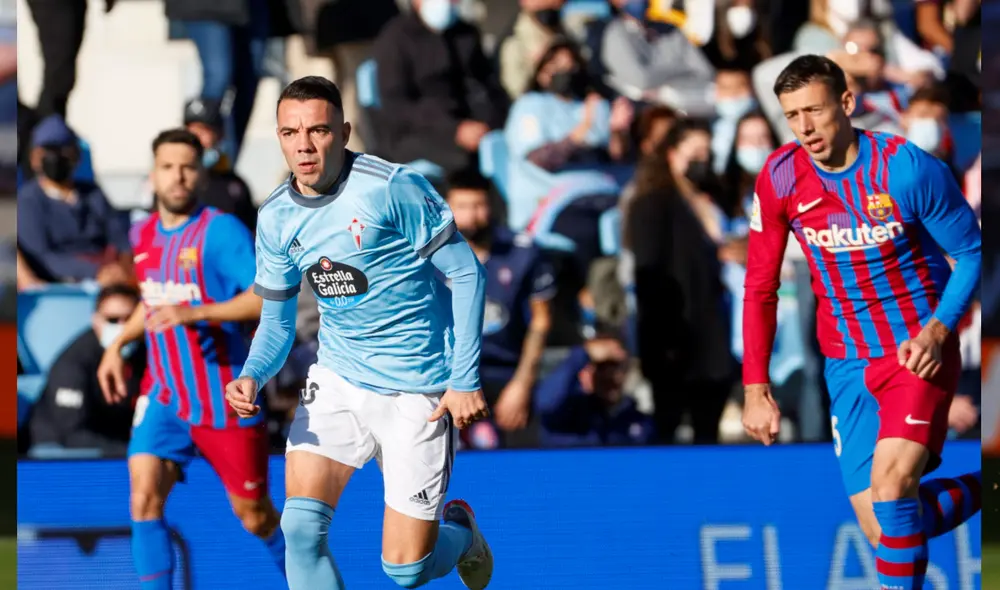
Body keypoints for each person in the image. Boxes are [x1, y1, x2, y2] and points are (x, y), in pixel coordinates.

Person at [223, 76, 493, 590]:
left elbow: (466, 273)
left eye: (318, 130)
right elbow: (277, 321)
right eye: (290, 132)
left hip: (418, 388)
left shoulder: (392, 187)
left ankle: (462, 535)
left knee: (406, 570)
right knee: (299, 529)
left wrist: (464, 379)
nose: (304, 145)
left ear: (344, 133)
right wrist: (253, 374)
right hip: (339, 379)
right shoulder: (276, 216)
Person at [742, 55, 982, 590]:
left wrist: (938, 330)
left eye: (814, 110)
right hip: (846, 365)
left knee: (892, 488)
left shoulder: (906, 169)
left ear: (847, 103)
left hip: (914, 352)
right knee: (885, 528)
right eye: (792, 115)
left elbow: (972, 252)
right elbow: (759, 286)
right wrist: (755, 387)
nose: (804, 128)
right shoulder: (780, 177)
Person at [97, 129, 286, 589]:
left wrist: (196, 311)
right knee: (143, 499)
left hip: (224, 397)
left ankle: (306, 577)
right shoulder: (142, 233)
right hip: (164, 394)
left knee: (255, 516)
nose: (178, 176)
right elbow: (153, 301)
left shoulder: (221, 231)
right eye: (168, 167)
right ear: (153, 174)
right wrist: (118, 344)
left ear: (201, 174)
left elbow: (264, 297)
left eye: (187, 166)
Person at [444, 169, 555, 449]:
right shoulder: (429, 255)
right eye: (462, 206)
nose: (471, 215)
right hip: (446, 374)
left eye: (479, 205)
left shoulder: (522, 252)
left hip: (506, 371)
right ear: (447, 207)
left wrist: (522, 384)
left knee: (523, 458)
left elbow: (541, 321)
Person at [28, 284, 146, 454]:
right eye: (113, 320)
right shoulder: (73, 364)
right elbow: (72, 435)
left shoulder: (148, 354)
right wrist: (137, 453)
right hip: (60, 454)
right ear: (96, 320)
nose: (122, 327)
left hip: (119, 444)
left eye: (130, 319)